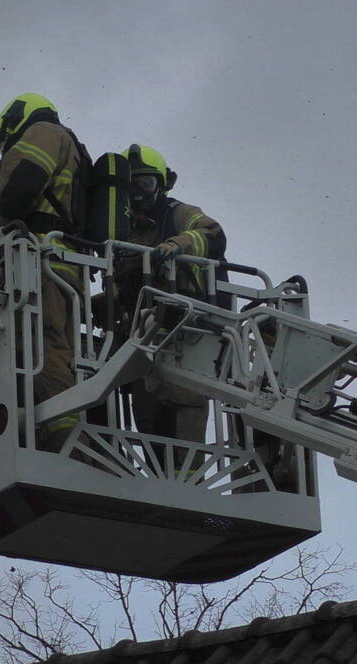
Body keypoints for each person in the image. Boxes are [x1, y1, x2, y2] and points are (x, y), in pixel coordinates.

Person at [0, 93, 88, 452]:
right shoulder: (70, 144)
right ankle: (46, 435)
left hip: (41, 263)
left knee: (45, 349)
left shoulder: (43, 132)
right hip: (62, 265)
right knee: (48, 350)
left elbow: (22, 187)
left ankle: (64, 440)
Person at [119, 144, 227, 445]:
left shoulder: (177, 214)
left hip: (186, 331)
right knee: (147, 413)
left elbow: (212, 233)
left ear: (162, 184)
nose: (139, 192)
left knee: (182, 405)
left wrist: (178, 245)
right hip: (142, 340)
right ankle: (158, 477)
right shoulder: (126, 234)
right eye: (133, 185)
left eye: (146, 183)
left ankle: (185, 475)